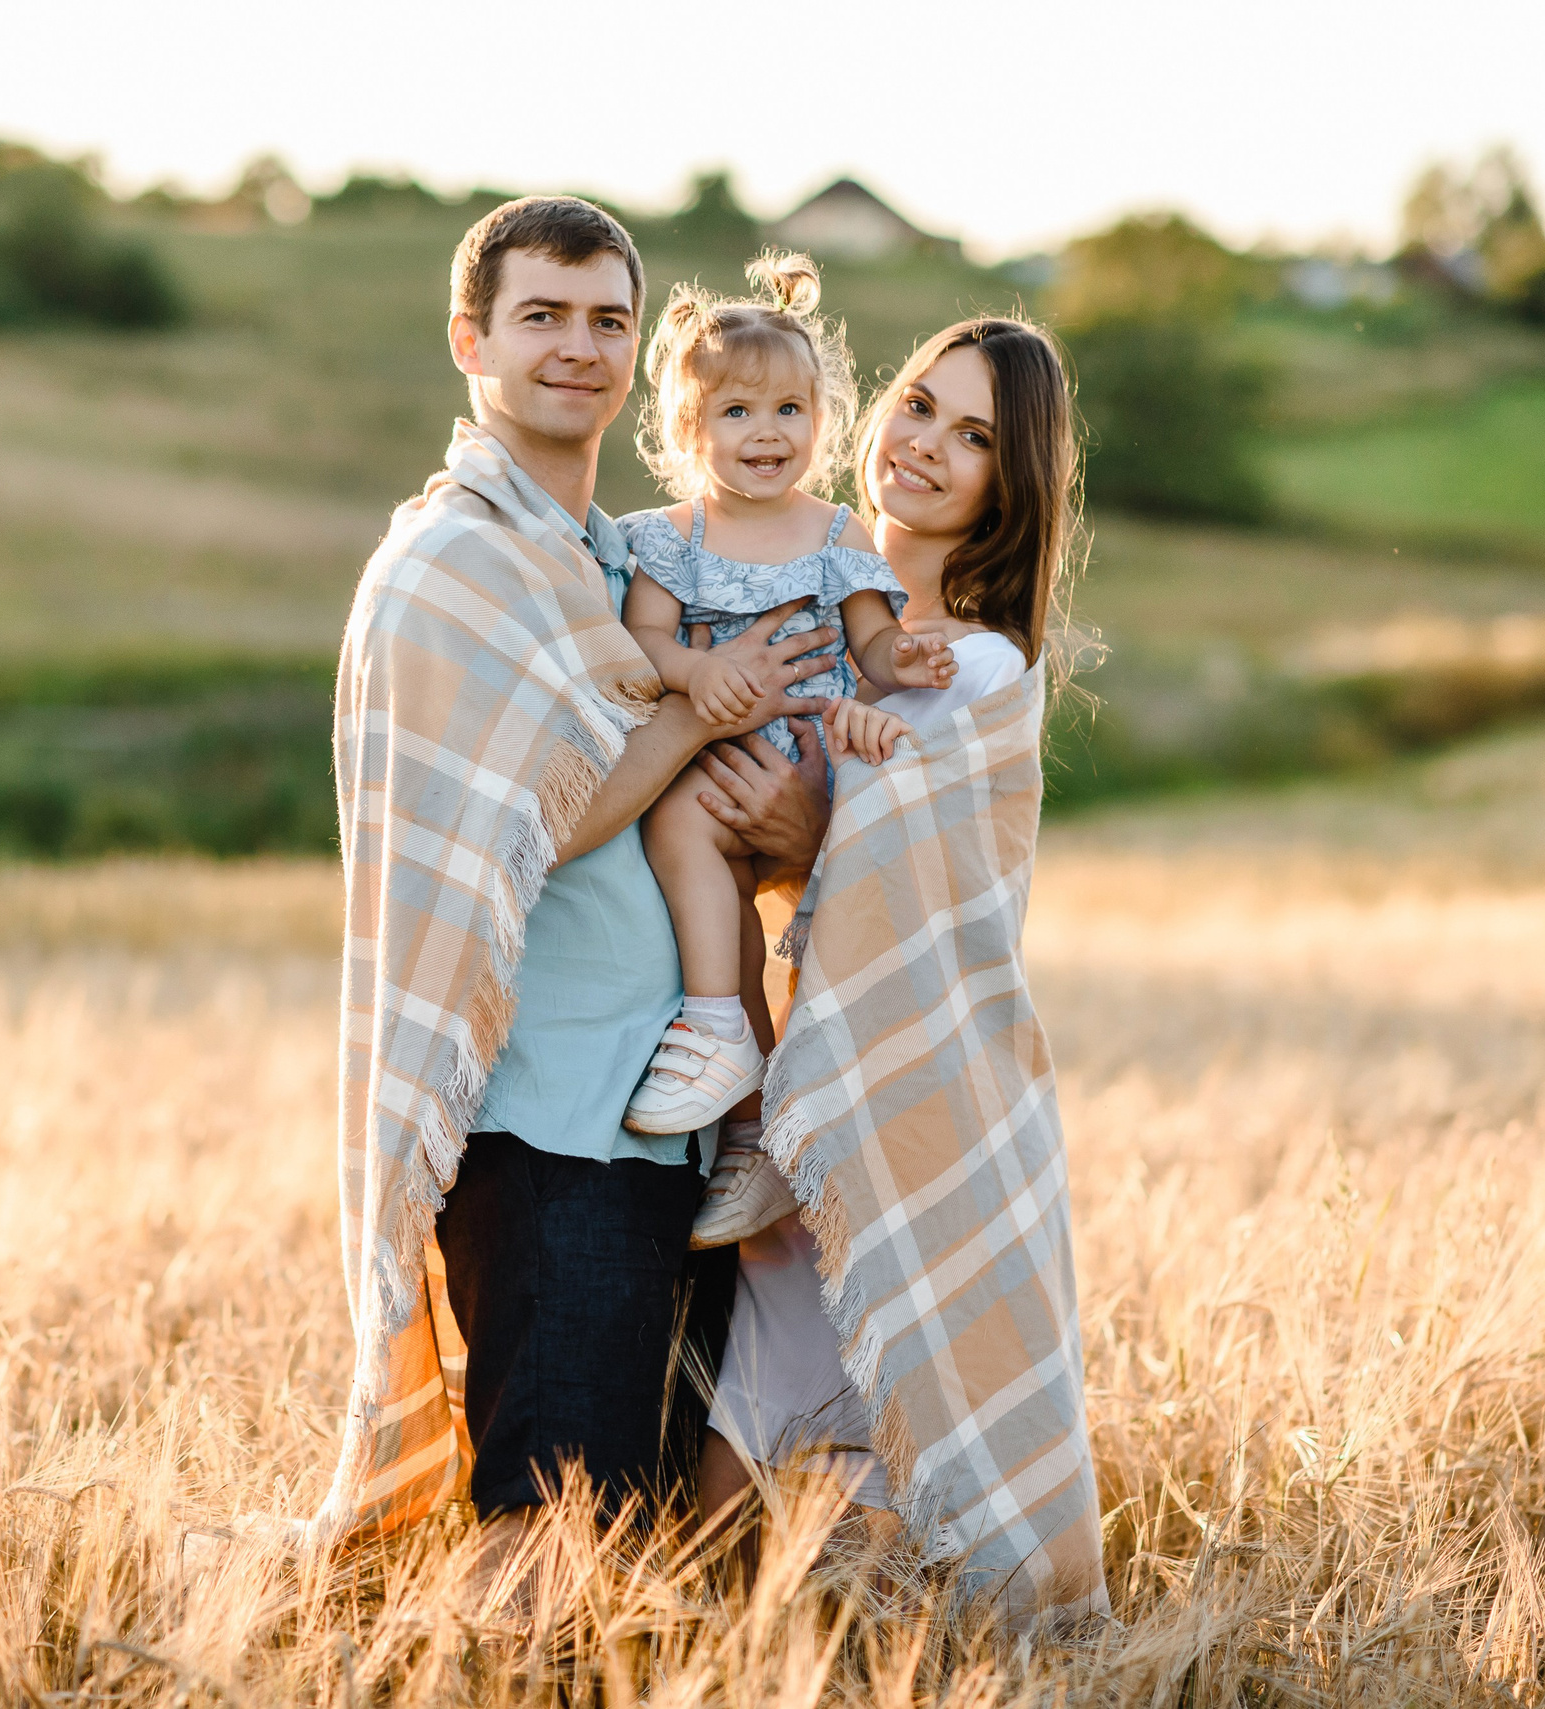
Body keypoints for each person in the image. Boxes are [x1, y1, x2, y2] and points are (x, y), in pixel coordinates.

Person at [312, 197, 840, 1565]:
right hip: (549, 1136)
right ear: (468, 339)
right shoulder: (452, 567)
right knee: (551, 1539)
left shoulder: (616, 563)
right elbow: (521, 832)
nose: (580, 346)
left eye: (609, 318)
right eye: (541, 315)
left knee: (655, 1552)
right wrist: (701, 715)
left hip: (667, 1125)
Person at [698, 319, 1108, 1624]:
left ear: (1011, 482)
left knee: (882, 1576)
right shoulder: (813, 610)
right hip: (776, 1132)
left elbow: (936, 893)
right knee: (709, 1564)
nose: (927, 444)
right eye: (922, 406)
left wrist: (810, 837)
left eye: (976, 436)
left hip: (894, 1135)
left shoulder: (976, 672)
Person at [612, 257, 954, 1161]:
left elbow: (874, 641)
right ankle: (735, 1076)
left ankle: (792, 1098)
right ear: (690, 429)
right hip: (718, 761)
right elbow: (644, 637)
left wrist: (905, 655)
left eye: (788, 411)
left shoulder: (836, 531)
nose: (767, 433)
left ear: (820, 419)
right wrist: (694, 671)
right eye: (737, 412)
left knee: (807, 957)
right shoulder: (669, 539)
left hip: (816, 762)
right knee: (689, 853)